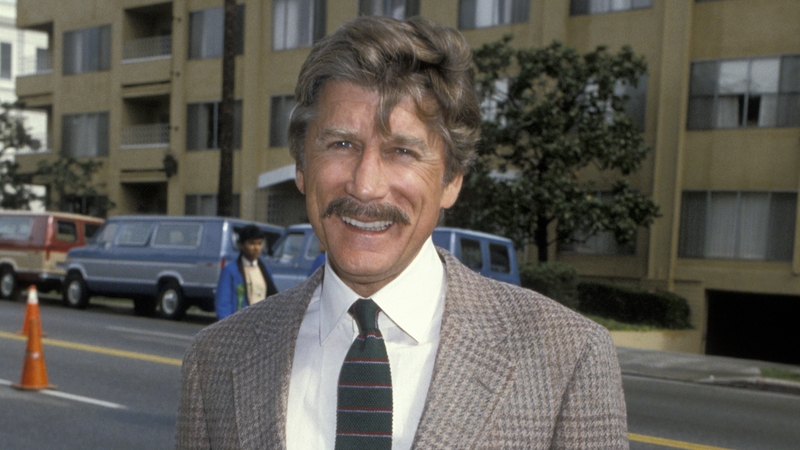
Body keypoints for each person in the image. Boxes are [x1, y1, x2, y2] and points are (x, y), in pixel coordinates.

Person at [177, 15, 628, 449]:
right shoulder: (216, 359)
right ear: (301, 166)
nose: (365, 185)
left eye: (402, 151)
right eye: (341, 144)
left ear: (452, 179)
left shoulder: (568, 358)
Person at [214, 224, 277, 320]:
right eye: (252, 243)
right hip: (239, 325)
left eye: (259, 243)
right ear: (241, 245)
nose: (256, 248)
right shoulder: (230, 271)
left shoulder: (266, 270)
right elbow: (223, 304)